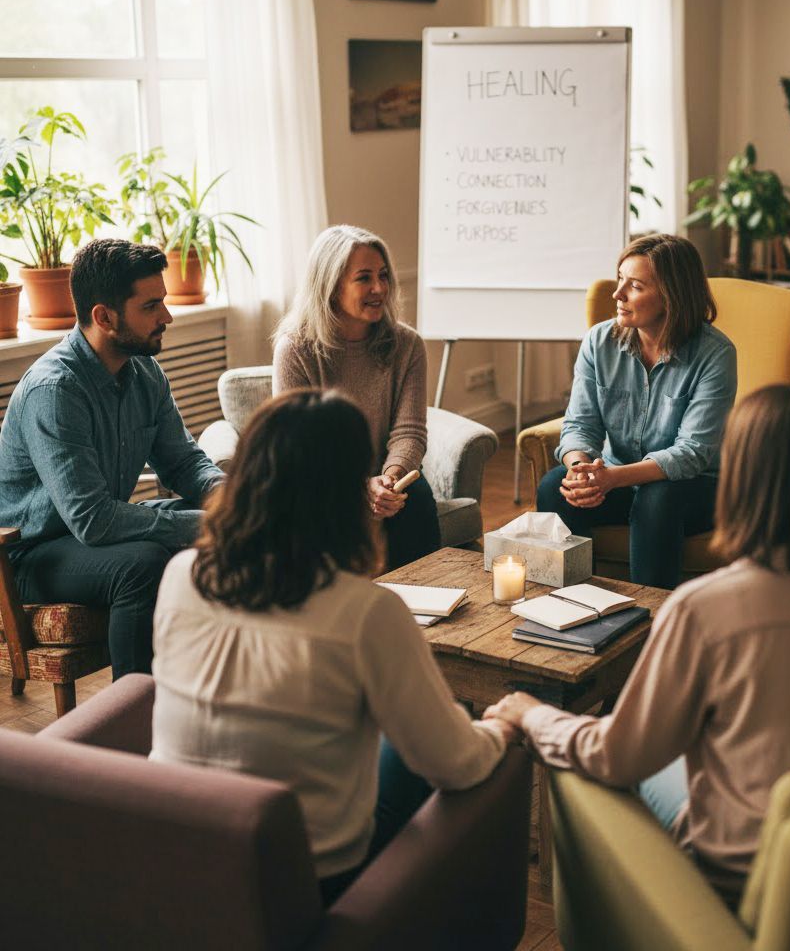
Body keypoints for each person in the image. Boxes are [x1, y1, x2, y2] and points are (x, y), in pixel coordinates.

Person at [486, 385, 790, 901]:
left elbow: (616, 756)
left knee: (577, 761)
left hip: (747, 882)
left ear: (741, 483)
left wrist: (530, 714)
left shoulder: (706, 607)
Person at [150, 389, 511, 904]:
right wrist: (501, 727)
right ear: (345, 494)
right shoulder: (367, 612)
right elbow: (459, 765)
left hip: (174, 857)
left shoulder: (182, 575)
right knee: (441, 739)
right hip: (308, 880)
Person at [0, 238, 223, 677]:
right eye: (151, 306)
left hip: (94, 534)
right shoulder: (55, 390)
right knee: (142, 565)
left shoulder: (144, 371)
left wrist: (232, 500)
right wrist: (209, 522)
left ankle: (207, 688)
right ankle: (134, 719)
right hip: (31, 554)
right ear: (104, 316)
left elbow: (183, 462)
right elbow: (94, 521)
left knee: (220, 523)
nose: (167, 316)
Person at [536, 233, 737, 588]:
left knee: (657, 497)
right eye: (619, 280)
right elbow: (580, 424)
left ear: (671, 296)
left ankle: (652, 621)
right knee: (555, 486)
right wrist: (581, 470)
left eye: (635, 286)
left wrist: (613, 479)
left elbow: (691, 453)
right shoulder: (599, 342)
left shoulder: (715, 354)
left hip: (697, 486)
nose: (617, 295)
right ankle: (570, 602)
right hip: (615, 477)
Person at [273, 225, 440, 571]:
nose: (379, 288)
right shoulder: (296, 349)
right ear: (330, 285)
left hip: (387, 476)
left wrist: (390, 479)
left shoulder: (407, 345)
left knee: (417, 498)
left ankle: (428, 609)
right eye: (363, 278)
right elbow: (300, 447)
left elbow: (410, 431)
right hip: (322, 482)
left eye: (383, 276)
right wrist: (358, 487)